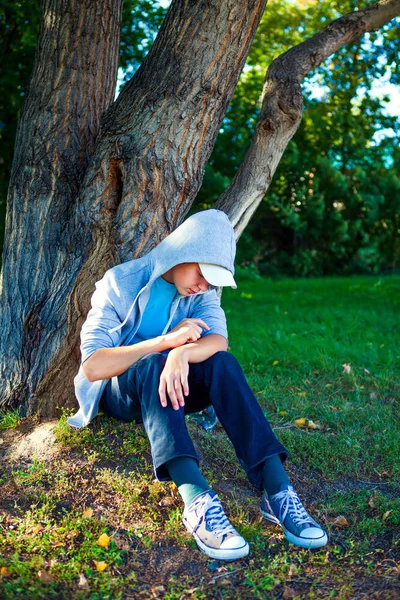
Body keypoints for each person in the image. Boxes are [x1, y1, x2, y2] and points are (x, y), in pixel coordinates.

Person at [68, 209, 328, 561]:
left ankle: (278, 491)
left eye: (213, 280)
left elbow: (218, 341)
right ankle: (196, 500)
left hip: (175, 385)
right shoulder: (120, 282)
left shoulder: (202, 291)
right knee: (152, 363)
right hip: (123, 391)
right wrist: (165, 344)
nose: (205, 286)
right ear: (182, 251)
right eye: (203, 274)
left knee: (222, 363)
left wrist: (181, 354)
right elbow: (94, 365)